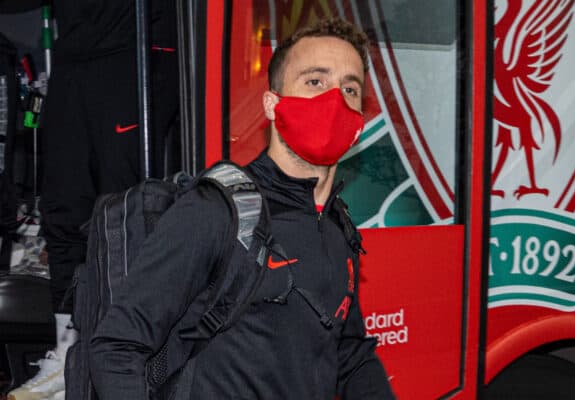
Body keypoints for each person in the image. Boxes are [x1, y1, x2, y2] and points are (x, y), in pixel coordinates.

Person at [89, 17, 396, 400]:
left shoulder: (337, 228)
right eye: (315, 81)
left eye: (350, 89)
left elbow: (349, 354)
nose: (334, 99)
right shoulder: (218, 210)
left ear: (359, 121)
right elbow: (117, 346)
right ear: (272, 104)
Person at [7, 1, 178, 400]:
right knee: (63, 205)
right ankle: (68, 350)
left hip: (134, 47)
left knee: (126, 212)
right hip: (75, 53)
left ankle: (127, 354)